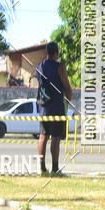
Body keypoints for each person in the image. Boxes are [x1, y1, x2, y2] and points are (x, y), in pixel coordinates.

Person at [36, 41, 72, 175]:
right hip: (57, 107)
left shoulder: (39, 67)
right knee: (55, 138)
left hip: (43, 107)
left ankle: (42, 168)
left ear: (47, 52)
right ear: (57, 52)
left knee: (43, 137)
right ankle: (55, 169)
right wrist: (69, 98)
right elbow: (67, 86)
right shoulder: (59, 67)